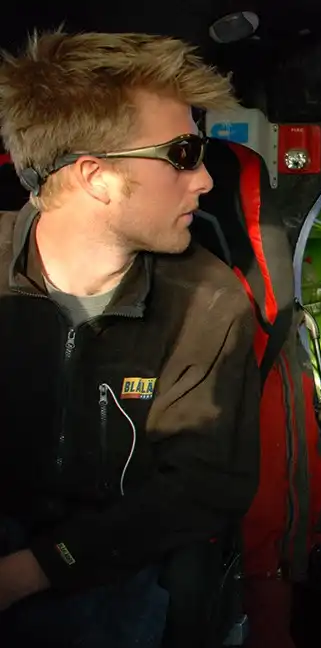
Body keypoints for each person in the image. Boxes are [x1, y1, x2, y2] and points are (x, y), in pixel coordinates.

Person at [0, 30, 260, 647]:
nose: (205, 180)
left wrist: (31, 571)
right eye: (183, 154)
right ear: (97, 177)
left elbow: (201, 486)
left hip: (116, 579)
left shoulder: (208, 300)